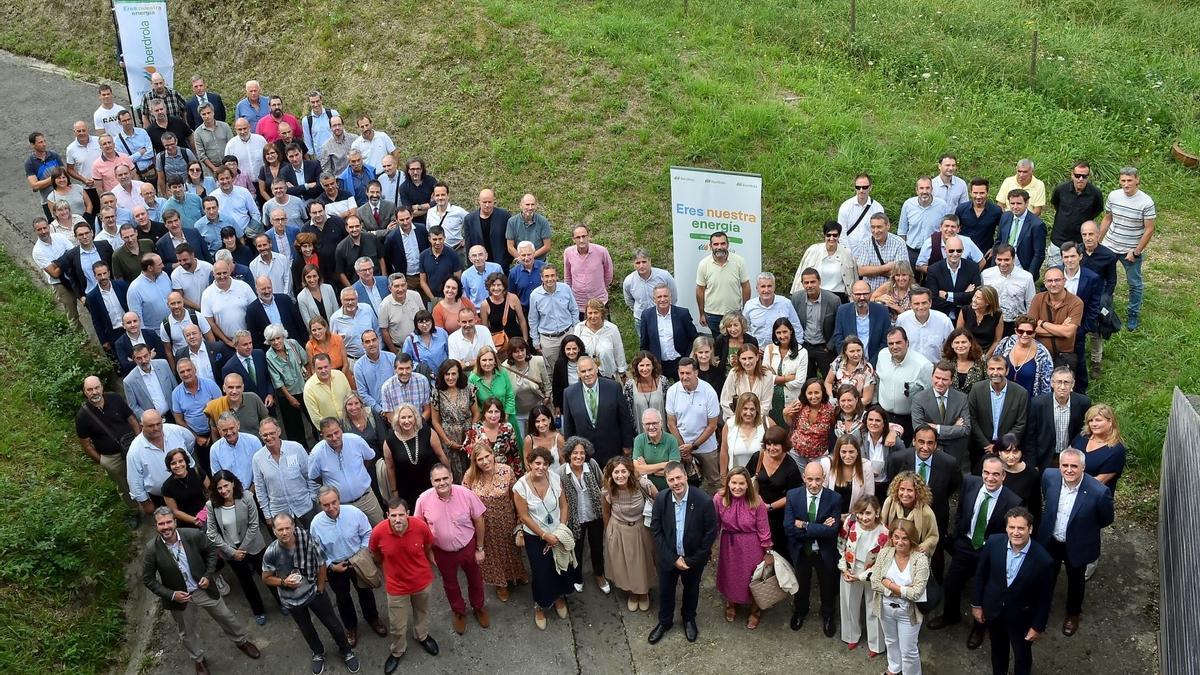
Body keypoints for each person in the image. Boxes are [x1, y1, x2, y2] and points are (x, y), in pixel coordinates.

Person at [143, 506, 260, 674]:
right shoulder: (152, 549)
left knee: (226, 616)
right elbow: (148, 579)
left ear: (175, 522)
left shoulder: (192, 535)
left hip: (202, 589)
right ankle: (198, 660)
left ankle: (241, 641)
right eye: (161, 524)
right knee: (187, 633)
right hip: (180, 598)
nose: (166, 526)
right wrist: (172, 595)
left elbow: (212, 551)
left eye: (169, 522)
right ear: (156, 526)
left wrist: (208, 574)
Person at [928, 455, 1022, 648]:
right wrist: (958, 533)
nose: (990, 478)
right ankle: (950, 616)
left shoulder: (1014, 501)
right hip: (965, 544)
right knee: (952, 584)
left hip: (990, 550)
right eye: (986, 473)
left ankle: (979, 629)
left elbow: (1010, 533)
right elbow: (961, 509)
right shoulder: (970, 482)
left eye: (996, 474)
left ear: (1004, 476)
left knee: (985, 593)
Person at [262, 512, 361, 675]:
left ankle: (346, 651)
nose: (284, 532)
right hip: (291, 599)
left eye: (287, 528)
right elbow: (266, 578)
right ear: (274, 531)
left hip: (314, 592)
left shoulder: (307, 540)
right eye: (280, 529)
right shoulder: (271, 552)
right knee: (306, 629)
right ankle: (318, 653)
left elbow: (322, 563)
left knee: (333, 624)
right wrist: (283, 582)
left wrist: (321, 587)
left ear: (293, 527)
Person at [1038, 447, 1115, 637]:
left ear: (1083, 467)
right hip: (1051, 539)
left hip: (1078, 544)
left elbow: (1106, 519)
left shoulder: (1099, 491)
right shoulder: (1049, 476)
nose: (1069, 470)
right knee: (1046, 575)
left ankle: (1073, 614)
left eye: (1074, 466)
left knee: (1076, 581)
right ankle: (1041, 608)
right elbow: (1046, 497)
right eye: (1065, 465)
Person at [972, 507, 1055, 675]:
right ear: (1006, 528)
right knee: (998, 650)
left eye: (1021, 528)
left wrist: (1037, 626)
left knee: (1022, 656)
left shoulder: (1043, 560)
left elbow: (1045, 598)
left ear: (1030, 529)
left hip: (1022, 619)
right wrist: (977, 604)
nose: (1016, 532)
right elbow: (981, 575)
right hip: (994, 612)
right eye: (1012, 527)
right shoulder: (993, 543)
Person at [415, 464, 491, 635]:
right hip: (442, 552)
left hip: (468, 547)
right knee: (450, 584)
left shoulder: (466, 494)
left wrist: (480, 548)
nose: (442, 483)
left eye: (445, 478)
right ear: (431, 481)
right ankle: (459, 611)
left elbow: (479, 520)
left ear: (451, 477)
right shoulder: (423, 500)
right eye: (437, 480)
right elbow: (419, 529)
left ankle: (478, 606)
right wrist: (429, 553)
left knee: (475, 579)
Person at [648, 462, 718, 644]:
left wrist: (693, 560)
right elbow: (656, 529)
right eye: (671, 479)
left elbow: (711, 533)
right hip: (668, 558)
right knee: (665, 591)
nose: (676, 482)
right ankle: (665, 622)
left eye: (679, 477)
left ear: (686, 477)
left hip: (693, 560)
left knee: (691, 590)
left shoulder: (703, 500)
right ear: (666, 481)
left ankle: (688, 619)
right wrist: (672, 558)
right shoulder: (662, 499)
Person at [512, 446, 573, 630]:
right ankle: (540, 604)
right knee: (541, 573)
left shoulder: (554, 478)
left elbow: (564, 506)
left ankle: (559, 597)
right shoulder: (520, 487)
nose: (541, 467)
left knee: (560, 567)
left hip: (557, 532)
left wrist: (561, 529)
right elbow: (524, 516)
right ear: (529, 464)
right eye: (537, 463)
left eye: (545, 464)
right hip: (536, 536)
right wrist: (544, 535)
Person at [888, 425, 963, 576]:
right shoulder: (897, 459)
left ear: (936, 444)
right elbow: (894, 485)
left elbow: (953, 486)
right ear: (914, 441)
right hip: (904, 517)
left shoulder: (949, 463)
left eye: (930, 443)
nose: (925, 447)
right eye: (921, 442)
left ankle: (933, 589)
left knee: (935, 556)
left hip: (935, 515)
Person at [205, 471, 275, 625]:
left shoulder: (247, 497)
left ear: (233, 483)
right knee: (246, 582)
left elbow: (254, 525)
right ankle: (258, 610)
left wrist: (241, 549)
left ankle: (282, 601)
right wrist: (232, 551)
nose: (223, 490)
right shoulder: (211, 505)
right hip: (230, 549)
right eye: (219, 488)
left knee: (267, 574)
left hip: (253, 545)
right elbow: (212, 533)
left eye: (226, 485)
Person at [463, 443, 529, 600]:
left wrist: (520, 515)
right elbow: (465, 500)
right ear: (475, 461)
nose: (485, 461)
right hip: (483, 524)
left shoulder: (506, 471)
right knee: (493, 555)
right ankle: (501, 584)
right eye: (480, 459)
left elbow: (516, 495)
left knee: (512, 550)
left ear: (493, 455)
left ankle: (517, 573)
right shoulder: (470, 476)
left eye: (487, 456)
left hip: (506, 519)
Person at [783, 460, 842, 636]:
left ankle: (829, 615)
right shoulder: (793, 496)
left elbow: (832, 531)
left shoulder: (834, 498)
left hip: (825, 551)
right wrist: (819, 528)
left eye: (818, 479)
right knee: (802, 583)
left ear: (824, 478)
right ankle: (800, 611)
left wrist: (805, 525)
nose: (814, 484)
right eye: (810, 479)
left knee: (828, 586)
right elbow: (788, 528)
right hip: (802, 550)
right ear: (803, 478)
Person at [714, 466, 773, 629]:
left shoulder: (757, 501)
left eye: (741, 483)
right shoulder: (719, 499)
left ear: (748, 484)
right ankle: (731, 604)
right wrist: (711, 545)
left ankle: (755, 611)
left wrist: (767, 550)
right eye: (733, 483)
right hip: (729, 543)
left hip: (751, 544)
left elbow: (763, 527)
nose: (737, 487)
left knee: (753, 578)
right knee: (730, 574)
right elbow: (715, 524)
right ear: (728, 483)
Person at [76, 376, 141, 524]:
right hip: (111, 457)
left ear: (102, 387)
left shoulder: (115, 399)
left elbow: (132, 419)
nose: (94, 392)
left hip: (132, 447)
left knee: (144, 474)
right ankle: (135, 511)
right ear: (84, 392)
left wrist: (139, 441)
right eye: (89, 389)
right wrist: (103, 461)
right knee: (124, 486)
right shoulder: (82, 416)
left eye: (96, 387)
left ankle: (156, 502)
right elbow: (85, 444)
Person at [871, 518, 931, 675]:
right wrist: (902, 590)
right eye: (896, 537)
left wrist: (890, 585)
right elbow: (875, 582)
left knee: (909, 650)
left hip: (908, 613)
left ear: (912, 539)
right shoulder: (885, 553)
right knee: (890, 641)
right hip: (885, 608)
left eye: (904, 538)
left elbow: (916, 593)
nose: (899, 542)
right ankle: (894, 668)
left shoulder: (920, 559)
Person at [1099, 167, 1155, 330]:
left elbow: (1149, 229)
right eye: (1123, 180)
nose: (1126, 184)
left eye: (1129, 180)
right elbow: (1108, 218)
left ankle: (1133, 314)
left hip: (1130, 250)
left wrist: (1136, 252)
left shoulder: (1146, 202)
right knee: (1104, 280)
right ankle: (1104, 310)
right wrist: (1098, 241)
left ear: (1137, 179)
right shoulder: (1113, 196)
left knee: (1134, 284)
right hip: (1110, 245)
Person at [602, 455, 658, 612]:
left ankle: (644, 592)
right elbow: (606, 513)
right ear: (611, 474)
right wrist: (609, 533)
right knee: (625, 564)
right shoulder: (608, 490)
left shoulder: (644, 485)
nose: (620, 475)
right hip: (619, 529)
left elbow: (660, 502)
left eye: (623, 471)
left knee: (643, 562)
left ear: (630, 472)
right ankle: (633, 592)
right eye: (616, 472)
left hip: (641, 528)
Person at [561, 355, 635, 466]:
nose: (587, 374)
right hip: (585, 454)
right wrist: (571, 451)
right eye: (583, 371)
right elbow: (568, 426)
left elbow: (624, 418)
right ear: (578, 374)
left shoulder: (613, 387)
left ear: (596, 369)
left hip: (613, 449)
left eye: (590, 369)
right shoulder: (569, 393)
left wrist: (627, 444)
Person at [837, 495, 888, 653]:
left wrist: (860, 576)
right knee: (848, 604)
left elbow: (882, 562)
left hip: (872, 572)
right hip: (850, 568)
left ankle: (876, 644)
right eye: (860, 513)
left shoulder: (885, 532)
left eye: (868, 513)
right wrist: (844, 568)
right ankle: (851, 636)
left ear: (876, 513)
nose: (863, 517)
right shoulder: (850, 523)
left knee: (874, 607)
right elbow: (841, 546)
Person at [309, 419, 385, 525]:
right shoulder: (316, 453)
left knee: (380, 528)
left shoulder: (356, 440)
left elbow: (369, 458)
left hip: (366, 498)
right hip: (342, 506)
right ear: (322, 435)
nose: (334, 438)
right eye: (329, 436)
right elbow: (315, 477)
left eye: (336, 433)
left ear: (341, 428)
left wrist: (358, 476)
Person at [559, 437, 609, 595]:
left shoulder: (592, 466)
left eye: (582, 453)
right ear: (569, 454)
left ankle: (599, 575)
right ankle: (577, 577)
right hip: (575, 518)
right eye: (575, 453)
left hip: (594, 514)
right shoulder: (561, 472)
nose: (579, 456)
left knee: (597, 547)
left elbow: (603, 484)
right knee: (577, 549)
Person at [665, 358, 721, 492]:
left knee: (714, 481)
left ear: (696, 372)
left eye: (688, 373)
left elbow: (712, 425)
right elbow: (671, 424)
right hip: (681, 445)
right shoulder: (672, 391)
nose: (684, 377)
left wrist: (694, 445)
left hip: (706, 445)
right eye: (681, 373)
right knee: (680, 481)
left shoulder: (708, 391)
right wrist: (684, 448)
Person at [746, 426, 804, 554]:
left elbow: (793, 494)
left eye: (776, 444)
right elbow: (746, 480)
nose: (772, 448)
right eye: (768, 444)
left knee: (777, 549)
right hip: (756, 511)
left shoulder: (790, 466)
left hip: (779, 516)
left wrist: (770, 507)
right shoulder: (758, 457)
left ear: (784, 445)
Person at [252, 417, 319, 527]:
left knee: (313, 539)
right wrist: (267, 515)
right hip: (279, 513)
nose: (268, 437)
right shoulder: (257, 458)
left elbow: (310, 475)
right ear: (260, 435)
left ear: (279, 431)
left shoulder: (296, 448)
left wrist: (313, 498)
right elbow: (260, 489)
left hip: (305, 506)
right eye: (265, 435)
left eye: (272, 433)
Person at [967, 355, 1031, 471]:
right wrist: (986, 444)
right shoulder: (977, 389)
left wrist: (1001, 446)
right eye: (992, 369)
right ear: (987, 370)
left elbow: (1020, 423)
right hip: (980, 449)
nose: (995, 373)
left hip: (1008, 451)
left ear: (1007, 371)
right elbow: (972, 418)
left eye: (999, 369)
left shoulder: (1020, 393)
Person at [382, 404, 450, 509]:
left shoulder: (428, 432)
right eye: (403, 417)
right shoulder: (389, 440)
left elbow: (441, 455)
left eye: (410, 416)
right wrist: (394, 491)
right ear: (397, 420)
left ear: (415, 417)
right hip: (407, 489)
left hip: (431, 484)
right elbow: (390, 467)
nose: (407, 421)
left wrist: (449, 475)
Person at [911, 360, 972, 473]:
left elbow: (966, 429)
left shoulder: (962, 398)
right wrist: (954, 427)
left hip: (955, 453)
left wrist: (936, 428)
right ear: (932, 377)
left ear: (951, 380)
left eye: (944, 379)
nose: (940, 382)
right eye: (937, 378)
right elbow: (918, 428)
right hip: (927, 452)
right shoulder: (919, 399)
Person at [1027, 367, 1091, 471]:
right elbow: (1030, 435)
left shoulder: (1083, 403)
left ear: (1072, 384)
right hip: (1045, 457)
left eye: (1066, 382)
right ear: (1052, 383)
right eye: (1059, 382)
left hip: (1072, 457)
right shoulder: (1038, 403)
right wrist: (1033, 463)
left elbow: (1086, 431)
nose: (1062, 387)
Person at [875, 327, 933, 442]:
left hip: (908, 419)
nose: (894, 347)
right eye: (891, 343)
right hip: (884, 416)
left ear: (907, 343)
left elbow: (929, 397)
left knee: (903, 456)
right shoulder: (882, 355)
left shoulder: (923, 365)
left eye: (898, 342)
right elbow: (879, 380)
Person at [636, 282, 699, 382]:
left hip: (680, 361)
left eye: (665, 296)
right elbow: (644, 343)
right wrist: (646, 363)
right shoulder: (647, 316)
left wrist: (689, 358)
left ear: (670, 297)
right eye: (659, 297)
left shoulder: (682, 313)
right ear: (654, 299)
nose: (662, 299)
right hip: (658, 363)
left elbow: (694, 338)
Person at [694, 231, 751, 335]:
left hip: (734, 313)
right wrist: (701, 313)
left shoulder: (739, 261)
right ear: (710, 246)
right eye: (716, 244)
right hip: (712, 315)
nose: (719, 247)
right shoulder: (703, 264)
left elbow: (746, 286)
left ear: (727, 245)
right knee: (719, 344)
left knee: (736, 343)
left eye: (722, 243)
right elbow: (700, 290)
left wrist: (745, 310)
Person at [429, 359, 477, 481]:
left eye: (453, 374)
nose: (450, 377)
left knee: (472, 470)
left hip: (468, 438)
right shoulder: (437, 393)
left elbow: (476, 413)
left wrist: (470, 436)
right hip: (448, 440)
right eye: (447, 374)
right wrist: (448, 441)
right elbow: (435, 421)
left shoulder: (469, 389)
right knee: (454, 473)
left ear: (459, 374)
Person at [790, 267, 842, 378]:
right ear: (802, 284)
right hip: (805, 347)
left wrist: (829, 346)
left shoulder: (833, 300)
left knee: (830, 381)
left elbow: (839, 325)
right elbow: (793, 323)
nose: (809, 285)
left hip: (825, 348)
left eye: (813, 282)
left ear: (819, 281)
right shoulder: (796, 299)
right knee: (806, 381)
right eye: (806, 282)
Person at [879, 470, 939, 564]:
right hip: (891, 551)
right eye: (902, 489)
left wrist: (924, 546)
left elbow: (933, 536)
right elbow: (881, 525)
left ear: (917, 492)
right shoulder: (890, 502)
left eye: (910, 490)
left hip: (913, 555)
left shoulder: (926, 512)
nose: (905, 494)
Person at [528, 264, 578, 371]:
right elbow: (533, 319)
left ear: (556, 276)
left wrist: (576, 329)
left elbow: (574, 309)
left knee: (573, 365)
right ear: (542, 278)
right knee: (554, 370)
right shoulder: (535, 295)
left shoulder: (565, 289)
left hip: (567, 333)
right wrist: (535, 340)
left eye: (552, 275)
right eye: (546, 276)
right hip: (548, 339)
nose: (550, 279)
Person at [1070, 403, 1127, 494]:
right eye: (1091, 420)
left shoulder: (1117, 450)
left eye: (1098, 420)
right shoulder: (1083, 436)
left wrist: (1069, 483)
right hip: (1069, 489)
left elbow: (1098, 482)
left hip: (1094, 496)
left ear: (1110, 422)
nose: (1093, 424)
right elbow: (1067, 456)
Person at [992, 314, 1054, 398]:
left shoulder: (1043, 354)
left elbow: (1045, 387)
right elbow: (993, 366)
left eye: (1029, 332)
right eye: (1021, 331)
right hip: (1002, 398)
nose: (1024, 335)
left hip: (1028, 403)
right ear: (1015, 331)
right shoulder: (1005, 343)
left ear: (1034, 333)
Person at [794, 221, 858, 301]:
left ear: (839, 236)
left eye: (835, 235)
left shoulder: (847, 253)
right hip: (818, 295)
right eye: (828, 235)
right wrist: (796, 295)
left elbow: (855, 277)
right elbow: (800, 273)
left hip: (840, 296)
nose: (831, 238)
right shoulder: (812, 251)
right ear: (824, 235)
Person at [980, 245, 1036, 333]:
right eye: (999, 259)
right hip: (992, 322)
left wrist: (1028, 326)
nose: (1002, 263)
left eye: (1006, 260)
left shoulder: (1026, 277)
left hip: (1016, 323)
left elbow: (1031, 303)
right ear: (995, 259)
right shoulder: (986, 274)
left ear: (1013, 259)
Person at [763, 317, 808, 428]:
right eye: (778, 332)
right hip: (771, 400)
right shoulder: (769, 349)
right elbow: (764, 376)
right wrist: (786, 378)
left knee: (790, 432)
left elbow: (800, 382)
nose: (782, 336)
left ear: (791, 331)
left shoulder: (802, 353)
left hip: (791, 401)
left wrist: (775, 379)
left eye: (785, 332)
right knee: (772, 432)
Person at [833, 280, 891, 364]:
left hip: (876, 363)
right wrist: (850, 361)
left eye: (865, 294)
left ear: (871, 294)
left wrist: (871, 365)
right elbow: (838, 338)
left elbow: (885, 341)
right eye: (858, 294)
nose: (862, 298)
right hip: (849, 363)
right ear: (852, 295)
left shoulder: (882, 311)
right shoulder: (842, 311)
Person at [622, 248, 678, 335]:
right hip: (641, 320)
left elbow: (673, 296)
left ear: (650, 261)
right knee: (645, 346)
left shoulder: (664, 276)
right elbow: (629, 301)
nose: (641, 266)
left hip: (663, 317)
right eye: (638, 263)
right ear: (633, 264)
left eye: (644, 262)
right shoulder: (628, 281)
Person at [463, 398, 521, 480]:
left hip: (504, 474)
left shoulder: (508, 428)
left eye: (497, 411)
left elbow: (515, 454)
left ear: (501, 413)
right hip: (482, 474)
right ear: (484, 413)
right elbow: (469, 455)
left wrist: (518, 475)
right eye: (490, 412)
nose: (493, 415)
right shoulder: (475, 429)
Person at [898, 177, 952, 265]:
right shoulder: (908, 204)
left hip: (934, 250)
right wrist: (903, 252)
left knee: (933, 278)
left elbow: (948, 229)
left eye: (927, 188)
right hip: (912, 251)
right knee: (912, 278)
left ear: (932, 189)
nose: (925, 191)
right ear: (917, 190)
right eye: (921, 188)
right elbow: (902, 231)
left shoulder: (942, 205)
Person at [995, 190, 1048, 280]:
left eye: (1019, 203)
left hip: (1023, 268)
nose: (1015, 207)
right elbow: (998, 242)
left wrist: (1030, 275)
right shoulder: (1005, 217)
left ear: (1026, 203)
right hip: (1003, 265)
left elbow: (1039, 254)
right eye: (1012, 203)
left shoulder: (1037, 224)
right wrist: (994, 266)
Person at [895, 287, 954, 365]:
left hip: (935, 369)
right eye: (916, 303)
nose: (920, 307)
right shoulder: (902, 320)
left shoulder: (944, 321)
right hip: (909, 368)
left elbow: (952, 348)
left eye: (924, 303)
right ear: (910, 304)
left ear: (930, 303)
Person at [819, 435, 874, 518]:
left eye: (851, 452)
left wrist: (853, 517)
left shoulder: (866, 466)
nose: (847, 456)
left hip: (855, 516)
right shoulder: (827, 464)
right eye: (844, 452)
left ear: (857, 452)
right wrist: (836, 516)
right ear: (838, 452)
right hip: (830, 515)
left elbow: (868, 497)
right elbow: (821, 494)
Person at [853, 213, 910, 291]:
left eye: (879, 227)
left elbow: (901, 273)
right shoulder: (865, 243)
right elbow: (861, 271)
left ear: (888, 226)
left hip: (892, 291)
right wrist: (886, 267)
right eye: (873, 227)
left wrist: (872, 269)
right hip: (869, 293)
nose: (876, 231)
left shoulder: (899, 243)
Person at [562, 224, 613, 311]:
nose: (581, 240)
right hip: (578, 303)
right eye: (578, 237)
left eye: (584, 236)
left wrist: (600, 287)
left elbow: (608, 273)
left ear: (588, 236)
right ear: (573, 239)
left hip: (599, 301)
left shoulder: (601, 251)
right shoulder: (568, 253)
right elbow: (567, 276)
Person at [468, 348, 521, 432]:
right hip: (486, 423)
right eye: (484, 360)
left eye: (490, 360)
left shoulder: (503, 373)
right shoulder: (473, 379)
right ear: (479, 362)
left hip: (507, 419)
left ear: (495, 361)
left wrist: (505, 418)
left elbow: (510, 395)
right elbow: (474, 405)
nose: (487, 363)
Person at [721, 344, 776, 424]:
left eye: (750, 358)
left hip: (758, 421)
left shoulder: (767, 375)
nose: (747, 362)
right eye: (744, 359)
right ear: (739, 359)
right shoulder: (733, 373)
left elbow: (766, 404)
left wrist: (751, 420)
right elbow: (725, 401)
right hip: (737, 420)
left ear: (757, 357)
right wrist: (738, 419)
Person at [504, 337, 552, 428]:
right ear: (511, 354)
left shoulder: (538, 361)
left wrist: (547, 397)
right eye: (516, 352)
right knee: (522, 441)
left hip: (537, 411)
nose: (520, 354)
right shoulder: (505, 367)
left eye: (522, 350)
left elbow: (547, 382)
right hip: (518, 413)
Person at [742, 272, 801, 346]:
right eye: (763, 286)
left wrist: (797, 348)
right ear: (757, 288)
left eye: (769, 286)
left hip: (781, 351)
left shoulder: (786, 303)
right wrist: (752, 346)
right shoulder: (749, 305)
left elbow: (796, 327)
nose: (766, 290)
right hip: (757, 352)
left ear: (774, 287)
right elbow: (744, 329)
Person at [786, 378, 836, 461]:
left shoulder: (830, 410)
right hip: (796, 453)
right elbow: (791, 425)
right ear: (805, 394)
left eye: (816, 392)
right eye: (810, 393)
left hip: (819, 456)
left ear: (822, 393)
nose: (813, 396)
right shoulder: (799, 406)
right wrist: (785, 414)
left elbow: (834, 428)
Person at [859, 405, 902, 500]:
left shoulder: (894, 441)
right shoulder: (859, 437)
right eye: (870, 420)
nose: (873, 423)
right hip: (864, 486)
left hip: (886, 487)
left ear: (884, 423)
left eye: (877, 420)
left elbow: (903, 461)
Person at [719, 392, 766, 479]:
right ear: (739, 409)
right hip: (736, 481)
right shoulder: (729, 425)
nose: (748, 413)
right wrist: (723, 476)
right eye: (745, 409)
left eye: (752, 409)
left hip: (759, 481)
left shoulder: (766, 424)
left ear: (757, 410)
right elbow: (724, 451)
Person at [632, 408, 681, 491]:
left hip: (669, 488)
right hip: (647, 490)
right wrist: (664, 465)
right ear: (643, 425)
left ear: (661, 423)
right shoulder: (639, 440)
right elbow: (637, 469)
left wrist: (646, 468)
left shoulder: (671, 439)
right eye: (647, 424)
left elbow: (673, 469)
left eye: (654, 423)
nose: (651, 427)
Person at [622, 351, 670, 436]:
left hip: (662, 434)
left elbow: (669, 409)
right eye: (641, 365)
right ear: (636, 367)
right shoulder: (629, 386)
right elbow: (627, 413)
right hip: (640, 435)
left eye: (648, 365)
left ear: (653, 366)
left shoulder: (663, 382)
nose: (645, 369)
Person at [997, 434, 1042, 523]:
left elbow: (1035, 508)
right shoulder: (991, 466)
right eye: (1007, 452)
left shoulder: (1032, 474)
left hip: (1015, 524)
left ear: (1021, 452)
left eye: (1015, 452)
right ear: (999, 452)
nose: (1011, 456)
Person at [124, 344, 177, 417]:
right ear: (134, 359)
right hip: (155, 423)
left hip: (175, 413)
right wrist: (148, 418)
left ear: (150, 354)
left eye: (145, 356)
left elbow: (175, 387)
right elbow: (133, 406)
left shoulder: (163, 364)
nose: (144, 360)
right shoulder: (129, 381)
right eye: (139, 358)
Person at [379, 353, 433, 422]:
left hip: (420, 424)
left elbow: (427, 410)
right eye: (401, 369)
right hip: (398, 428)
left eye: (407, 368)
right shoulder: (386, 387)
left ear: (412, 368)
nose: (404, 372)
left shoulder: (422, 381)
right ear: (395, 369)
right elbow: (390, 417)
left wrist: (416, 426)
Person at [161, 447, 207, 528]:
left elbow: (212, 493)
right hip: (187, 524)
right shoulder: (167, 487)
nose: (178, 465)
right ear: (169, 466)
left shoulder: (198, 472)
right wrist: (196, 520)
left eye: (180, 461)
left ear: (186, 461)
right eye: (173, 463)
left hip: (207, 514)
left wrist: (205, 512)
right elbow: (175, 512)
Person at [479, 273, 529, 347]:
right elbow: (485, 329)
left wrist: (525, 340)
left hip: (516, 342)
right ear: (489, 287)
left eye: (499, 285)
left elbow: (522, 320)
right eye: (493, 285)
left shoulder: (513, 298)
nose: (496, 288)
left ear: (504, 286)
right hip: (499, 345)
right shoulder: (485, 305)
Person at [825, 336, 877, 405]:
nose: (856, 354)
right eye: (852, 351)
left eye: (858, 350)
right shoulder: (839, 361)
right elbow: (828, 382)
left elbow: (867, 399)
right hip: (837, 405)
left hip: (857, 408)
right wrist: (831, 397)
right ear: (845, 352)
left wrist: (847, 405)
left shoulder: (867, 369)